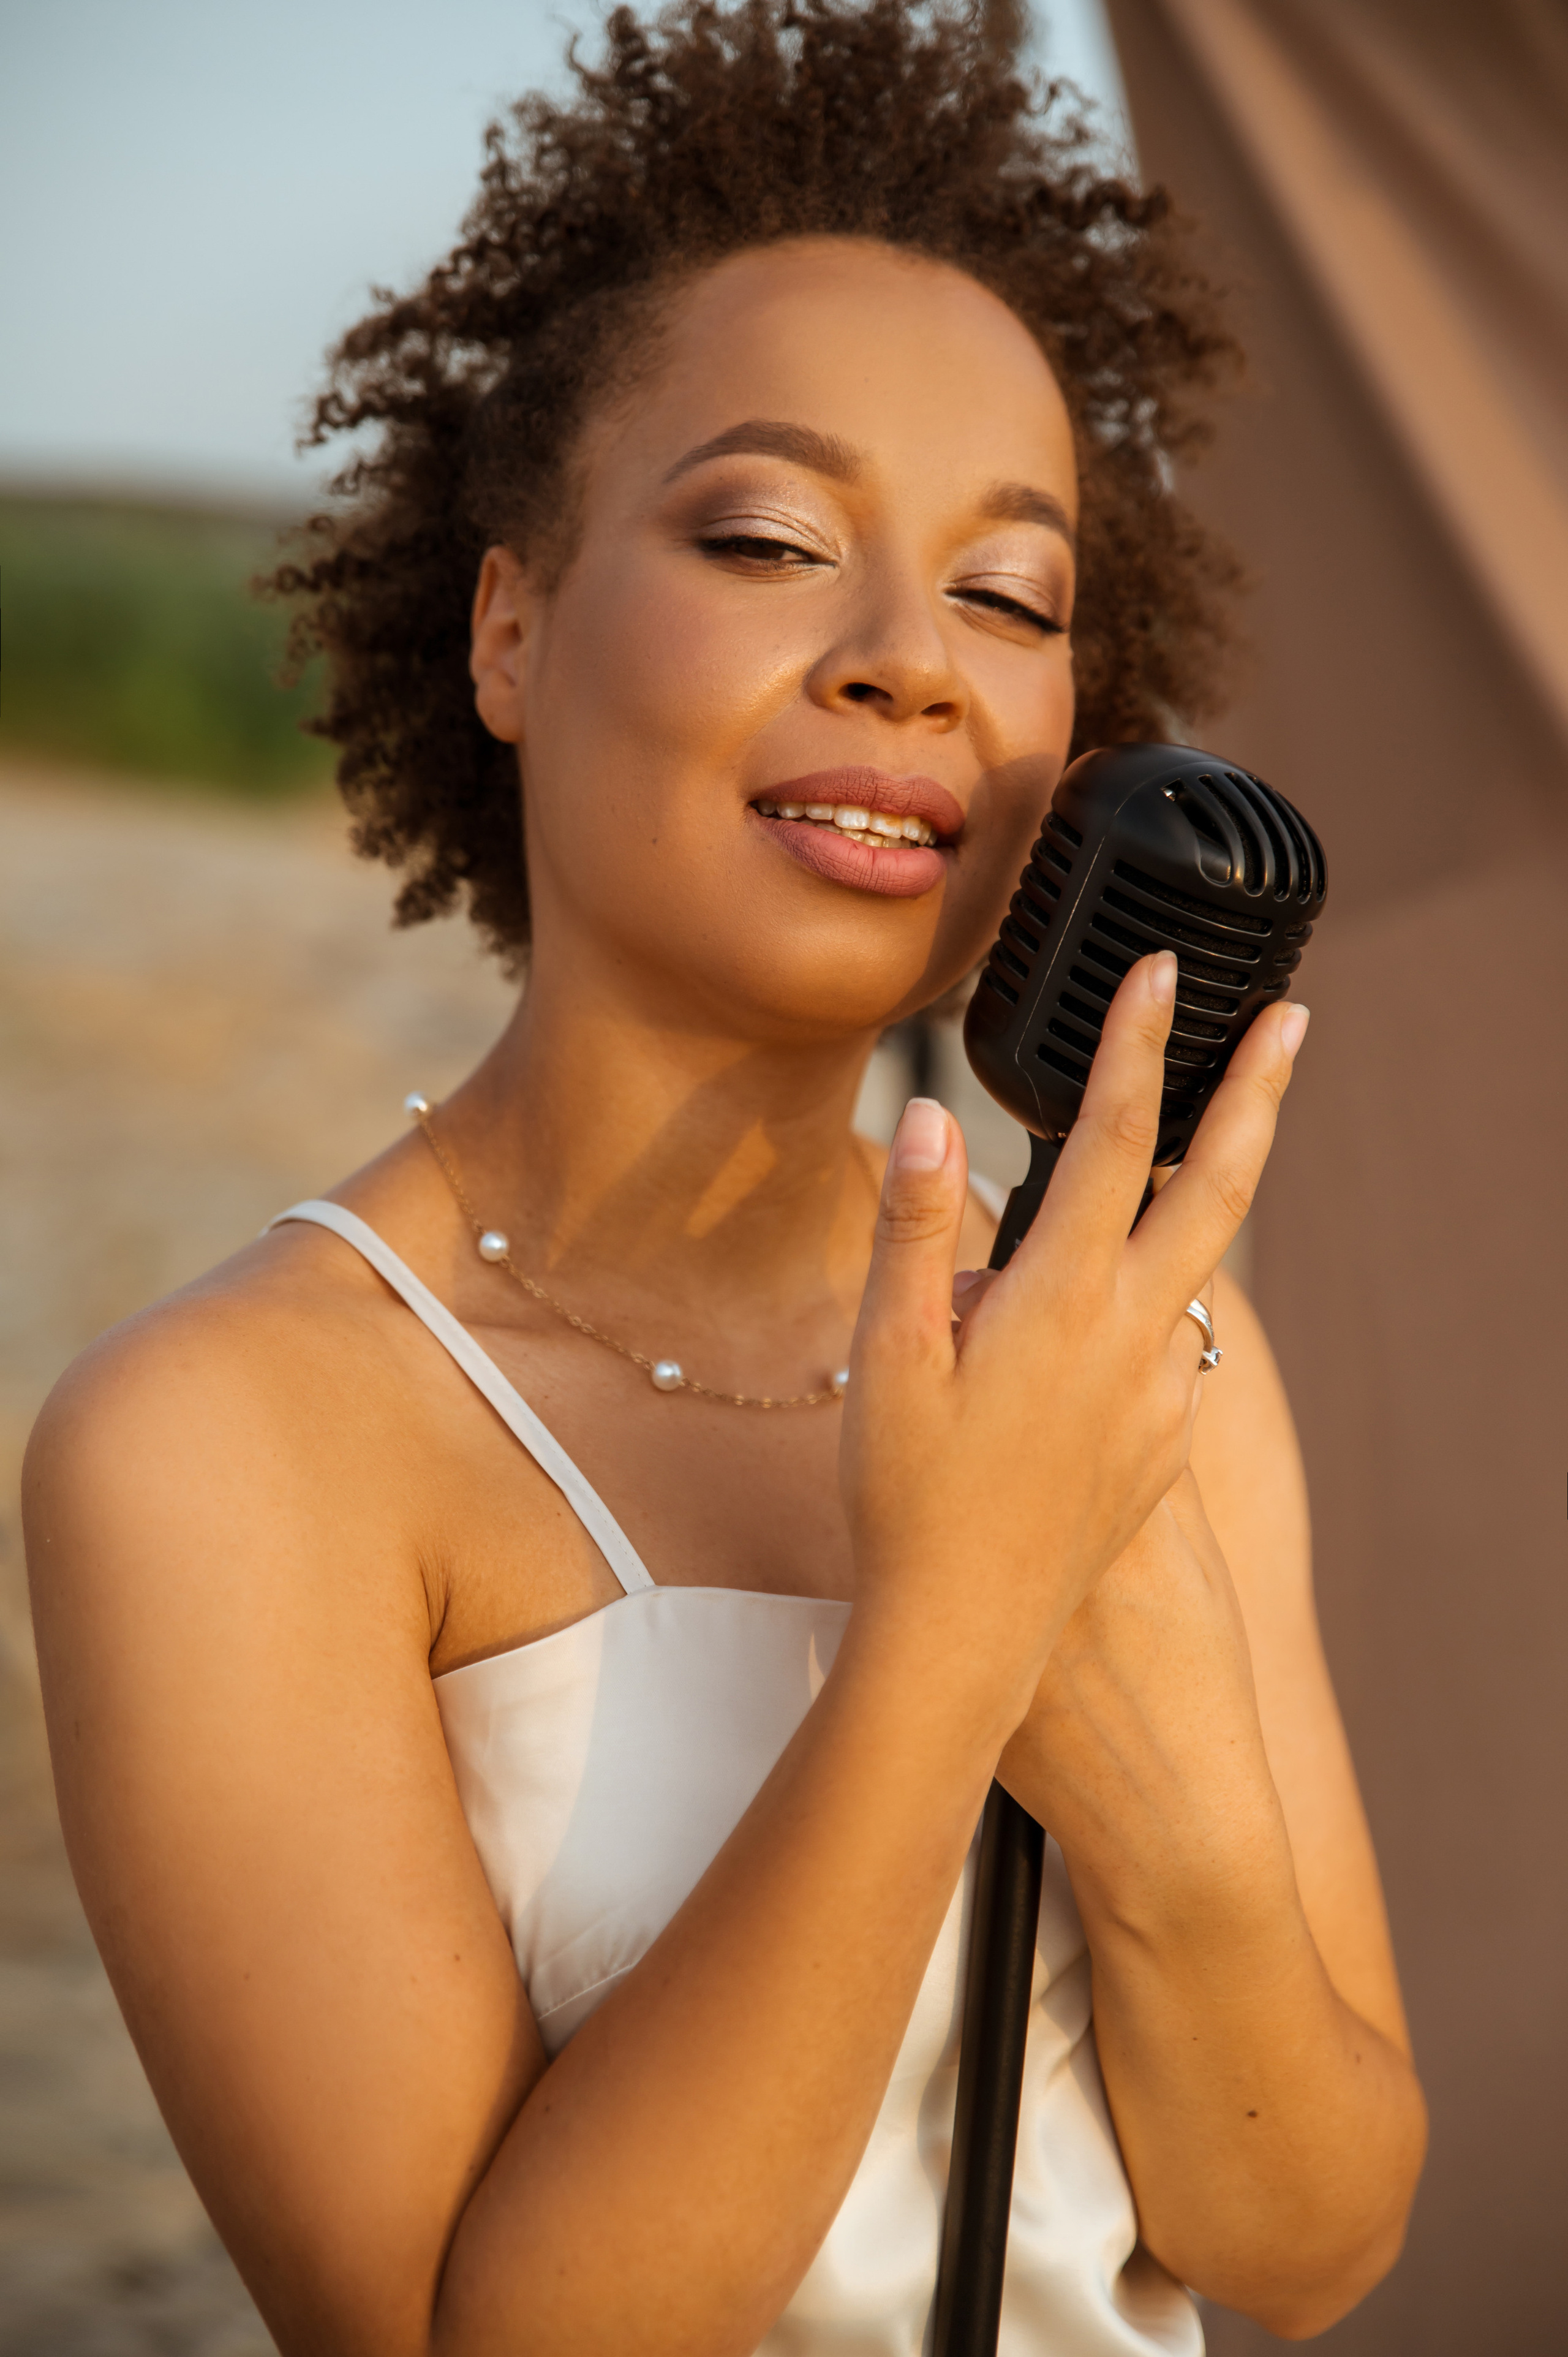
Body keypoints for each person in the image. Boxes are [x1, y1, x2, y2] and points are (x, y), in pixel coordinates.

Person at [22, 5, 1427, 2351]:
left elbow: (1311, 2240)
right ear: (506, 624)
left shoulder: (1141, 1352)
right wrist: (958, 1635)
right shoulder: (220, 1446)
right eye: (770, 538)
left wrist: (1165, 1809)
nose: (907, 668)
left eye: (1010, 596)